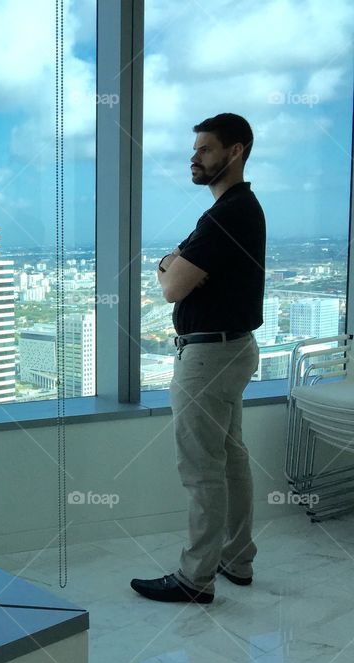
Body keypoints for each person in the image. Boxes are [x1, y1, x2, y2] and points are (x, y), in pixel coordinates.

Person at [131, 113, 264, 604]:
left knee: (201, 466)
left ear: (236, 152)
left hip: (209, 356)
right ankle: (236, 558)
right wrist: (177, 263)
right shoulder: (237, 209)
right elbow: (182, 273)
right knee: (229, 456)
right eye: (195, 149)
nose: (195, 157)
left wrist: (168, 262)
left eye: (206, 149)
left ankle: (195, 578)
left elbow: (171, 286)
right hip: (231, 349)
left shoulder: (228, 213)